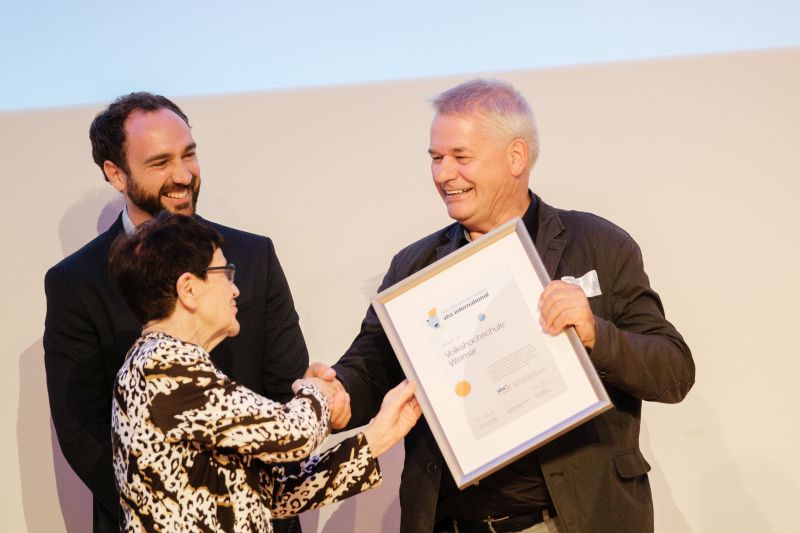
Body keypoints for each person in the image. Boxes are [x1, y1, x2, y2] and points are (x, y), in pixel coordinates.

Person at [312, 79, 696, 533]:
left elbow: (674, 371)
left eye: (460, 157)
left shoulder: (597, 245)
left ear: (515, 157)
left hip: (567, 521)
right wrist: (337, 399)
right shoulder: (414, 266)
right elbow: (372, 365)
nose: (443, 175)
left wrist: (596, 334)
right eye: (436, 158)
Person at [44, 92, 313, 532]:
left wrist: (244, 502)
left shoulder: (253, 254)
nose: (183, 175)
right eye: (160, 163)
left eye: (189, 155)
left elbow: (283, 387)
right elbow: (83, 429)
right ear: (115, 173)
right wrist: (175, 509)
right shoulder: (76, 282)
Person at [106, 213, 421, 532]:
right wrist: (317, 390)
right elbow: (292, 434)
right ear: (188, 289)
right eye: (225, 274)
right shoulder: (166, 367)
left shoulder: (158, 364)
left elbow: (273, 494)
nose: (235, 290)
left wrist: (376, 439)